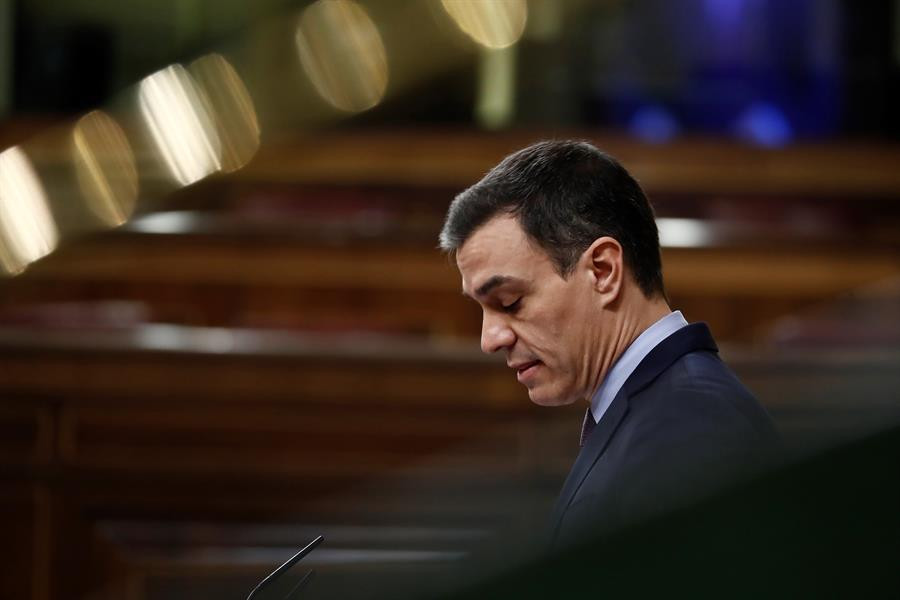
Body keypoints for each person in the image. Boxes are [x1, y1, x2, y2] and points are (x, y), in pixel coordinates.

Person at [439, 140, 779, 549]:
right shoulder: (666, 408)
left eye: (510, 302)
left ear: (603, 271)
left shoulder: (692, 425)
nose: (489, 339)